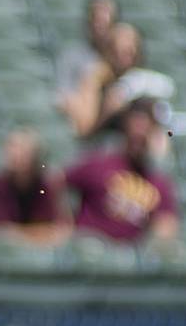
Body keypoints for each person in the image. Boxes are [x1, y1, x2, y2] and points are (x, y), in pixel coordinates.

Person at [63, 99, 178, 245]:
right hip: (88, 248)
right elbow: (57, 183)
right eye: (135, 133)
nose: (138, 137)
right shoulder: (98, 164)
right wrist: (64, 223)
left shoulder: (158, 183)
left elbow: (166, 225)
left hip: (127, 258)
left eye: (144, 134)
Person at [0, 128, 69, 245]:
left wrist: (17, 233)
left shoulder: (46, 186)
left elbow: (57, 231)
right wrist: (33, 233)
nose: (15, 154)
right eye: (12, 148)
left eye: (21, 150)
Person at [54, 0, 118, 104]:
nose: (99, 28)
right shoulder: (72, 56)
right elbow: (63, 94)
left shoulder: (121, 58)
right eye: (96, 21)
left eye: (104, 23)